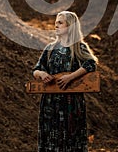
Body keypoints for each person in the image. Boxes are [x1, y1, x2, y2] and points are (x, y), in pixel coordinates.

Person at [33, 11, 98, 152]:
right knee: (51, 138)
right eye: (56, 22)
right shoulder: (50, 49)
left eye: (60, 22)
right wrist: (42, 74)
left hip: (71, 103)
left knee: (70, 137)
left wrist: (71, 77)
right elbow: (36, 69)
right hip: (50, 104)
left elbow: (91, 64)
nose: (56, 25)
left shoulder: (79, 47)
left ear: (70, 26)